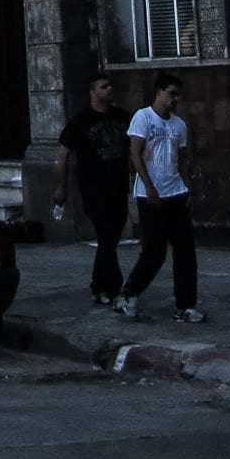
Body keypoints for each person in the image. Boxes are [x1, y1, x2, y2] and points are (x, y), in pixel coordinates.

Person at [114, 72, 205, 324]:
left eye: (178, 95)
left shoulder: (178, 125)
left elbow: (184, 158)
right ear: (159, 92)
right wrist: (149, 186)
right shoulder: (143, 118)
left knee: (185, 252)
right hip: (151, 195)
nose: (175, 100)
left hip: (176, 192)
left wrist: (188, 188)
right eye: (171, 94)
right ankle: (129, 292)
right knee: (154, 251)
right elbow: (135, 155)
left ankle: (185, 305)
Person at [53, 73, 132, 306]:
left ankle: (98, 287)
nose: (109, 89)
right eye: (103, 86)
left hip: (118, 187)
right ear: (93, 92)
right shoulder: (81, 122)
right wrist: (61, 187)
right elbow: (62, 155)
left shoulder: (121, 117)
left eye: (110, 85)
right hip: (93, 189)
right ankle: (115, 288)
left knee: (110, 239)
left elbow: (136, 147)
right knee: (106, 236)